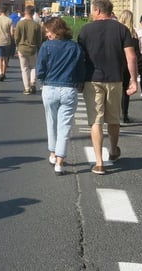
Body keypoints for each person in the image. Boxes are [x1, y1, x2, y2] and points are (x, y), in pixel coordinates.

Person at [77, 0, 138, 175]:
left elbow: (80, 58)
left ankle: (98, 162)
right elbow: (131, 57)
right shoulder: (122, 29)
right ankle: (113, 150)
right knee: (113, 118)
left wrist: (79, 81)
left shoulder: (85, 30)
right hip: (115, 79)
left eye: (91, 10)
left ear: (97, 10)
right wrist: (133, 80)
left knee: (95, 120)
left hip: (92, 79)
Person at [36, 17, 85, 175]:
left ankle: (52, 153)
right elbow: (80, 68)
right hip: (69, 89)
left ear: (55, 31)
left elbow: (40, 69)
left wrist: (43, 80)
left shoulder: (46, 46)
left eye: (48, 31)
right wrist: (79, 83)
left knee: (51, 122)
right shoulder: (75, 47)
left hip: (50, 88)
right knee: (65, 126)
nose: (46, 34)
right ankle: (59, 161)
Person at [117, 10, 140, 124]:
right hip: (128, 66)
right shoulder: (134, 35)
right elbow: (136, 54)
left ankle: (115, 115)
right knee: (126, 90)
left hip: (116, 65)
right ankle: (124, 114)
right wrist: (136, 71)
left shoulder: (116, 33)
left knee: (115, 91)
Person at [14, 5, 43, 95]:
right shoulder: (36, 25)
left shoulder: (20, 23)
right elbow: (39, 39)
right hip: (33, 48)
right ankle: (33, 82)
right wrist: (38, 47)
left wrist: (17, 47)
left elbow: (16, 37)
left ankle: (27, 88)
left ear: (25, 12)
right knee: (33, 67)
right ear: (33, 13)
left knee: (24, 68)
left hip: (22, 48)